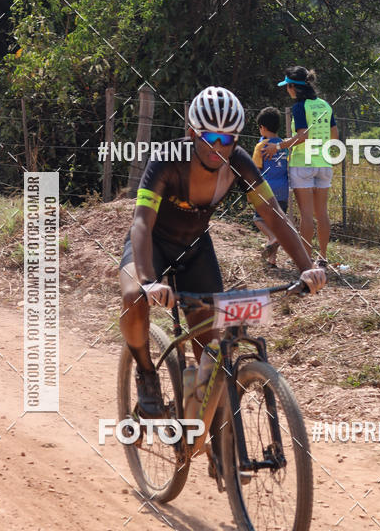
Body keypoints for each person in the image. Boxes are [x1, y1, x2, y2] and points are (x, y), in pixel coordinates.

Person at [119, 85, 326, 420]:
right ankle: (145, 374)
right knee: (133, 298)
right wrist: (147, 281)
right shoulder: (167, 160)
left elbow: (274, 214)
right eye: (211, 139)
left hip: (195, 249)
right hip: (152, 246)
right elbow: (141, 222)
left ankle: (218, 444)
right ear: (191, 134)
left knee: (210, 355)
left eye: (228, 140)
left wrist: (307, 267)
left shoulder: (239, 164)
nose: (219, 148)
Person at [263, 66, 338, 268]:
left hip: (303, 164)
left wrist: (278, 146)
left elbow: (302, 136)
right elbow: (334, 136)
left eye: (287, 87)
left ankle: (305, 260)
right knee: (322, 213)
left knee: (306, 214)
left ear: (293, 87)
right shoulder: (325, 105)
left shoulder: (299, 107)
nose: (287, 90)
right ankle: (322, 257)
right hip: (324, 163)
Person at [252, 106, 289, 267]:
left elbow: (255, 168)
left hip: (267, 190)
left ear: (263, 127)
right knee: (277, 223)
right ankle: (272, 259)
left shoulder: (261, 146)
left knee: (258, 219)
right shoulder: (283, 145)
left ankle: (272, 238)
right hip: (283, 190)